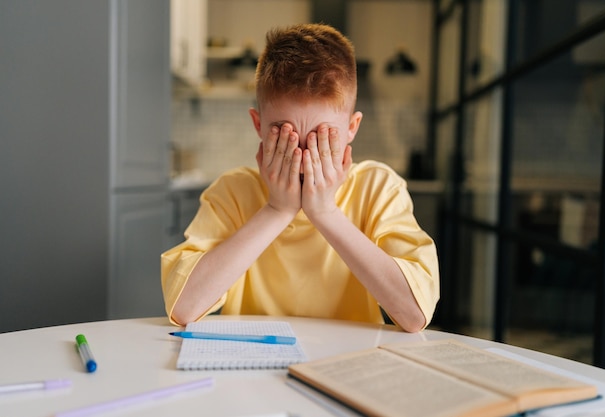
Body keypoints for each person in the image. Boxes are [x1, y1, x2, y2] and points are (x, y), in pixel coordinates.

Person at [161, 23, 439, 332]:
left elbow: (415, 314)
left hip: (346, 367)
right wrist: (276, 210)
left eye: (322, 139)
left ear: (351, 128)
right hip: (253, 365)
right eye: (285, 136)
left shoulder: (378, 189)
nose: (305, 158)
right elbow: (184, 307)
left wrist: (326, 213)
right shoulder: (232, 192)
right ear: (259, 125)